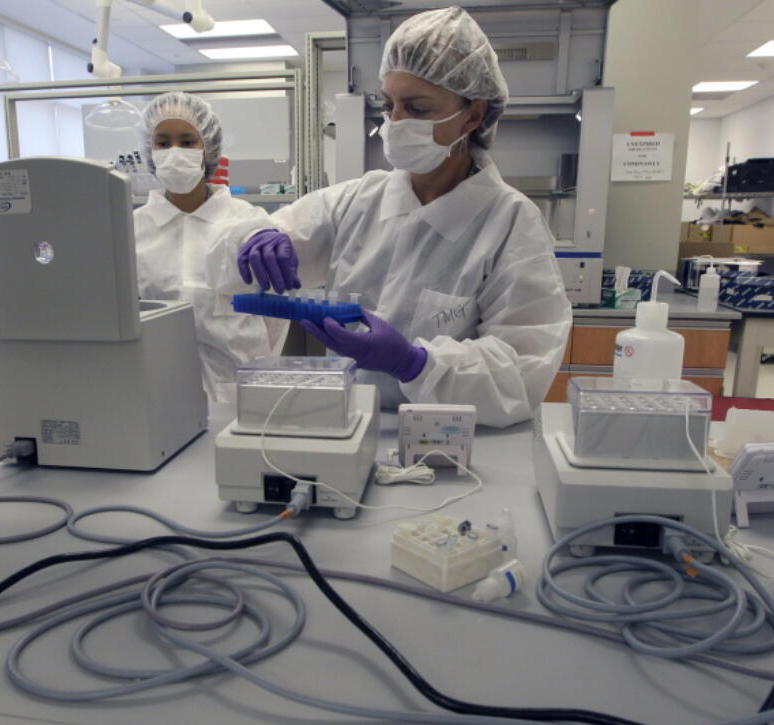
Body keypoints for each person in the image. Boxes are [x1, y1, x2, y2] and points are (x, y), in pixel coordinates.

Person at [232, 6, 571, 428]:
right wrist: (261, 235)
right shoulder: (358, 199)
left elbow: (522, 371)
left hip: (451, 441)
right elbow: (265, 235)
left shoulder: (511, 223)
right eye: (389, 105)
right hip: (349, 426)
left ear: (473, 115)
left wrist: (415, 363)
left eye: (418, 108)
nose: (395, 123)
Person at [133, 92, 285, 403]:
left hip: (241, 393)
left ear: (209, 148)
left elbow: (277, 316)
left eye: (187, 142)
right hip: (159, 396)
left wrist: (259, 373)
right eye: (163, 142)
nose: (174, 152)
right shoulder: (132, 231)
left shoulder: (248, 222)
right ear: (149, 151)